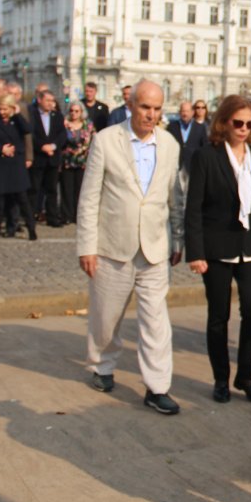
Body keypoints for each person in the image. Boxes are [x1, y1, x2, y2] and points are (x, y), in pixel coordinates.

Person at [77, 79, 184, 415]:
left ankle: (157, 387)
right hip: (113, 246)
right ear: (131, 106)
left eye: (156, 109)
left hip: (155, 248)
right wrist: (86, 247)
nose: (150, 115)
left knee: (156, 321)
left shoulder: (169, 144)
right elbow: (90, 196)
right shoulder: (107, 140)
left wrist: (177, 239)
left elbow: (173, 197)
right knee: (106, 317)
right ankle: (103, 365)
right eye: (144, 108)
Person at [184, 95, 251, 404]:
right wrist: (195, 252)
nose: (243, 129)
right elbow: (193, 208)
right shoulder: (206, 157)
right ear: (223, 122)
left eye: (250, 124)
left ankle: (246, 376)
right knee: (218, 315)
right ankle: (221, 378)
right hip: (217, 248)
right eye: (238, 123)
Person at [0, 94, 37, 241]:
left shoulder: (17, 121)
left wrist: (17, 115)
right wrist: (0, 149)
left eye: (5, 109)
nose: (2, 112)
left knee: (21, 198)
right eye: (0, 109)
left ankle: (31, 229)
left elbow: (28, 130)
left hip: (14, 165)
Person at [30, 90, 66, 226]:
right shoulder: (32, 115)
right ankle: (32, 216)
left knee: (52, 189)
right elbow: (31, 135)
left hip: (53, 157)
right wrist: (42, 146)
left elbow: (62, 134)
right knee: (34, 189)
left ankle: (52, 217)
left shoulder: (57, 115)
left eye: (52, 101)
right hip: (38, 157)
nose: (50, 103)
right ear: (39, 100)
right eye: (48, 100)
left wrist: (53, 146)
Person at [60, 102, 94, 226]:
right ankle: (66, 215)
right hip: (68, 161)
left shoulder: (88, 125)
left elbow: (92, 141)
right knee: (67, 189)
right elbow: (61, 141)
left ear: (81, 112)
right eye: (72, 111)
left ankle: (78, 215)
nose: (74, 113)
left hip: (83, 162)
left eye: (77, 111)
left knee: (80, 190)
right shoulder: (65, 125)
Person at [167, 100, 207, 172]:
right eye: (183, 111)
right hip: (176, 165)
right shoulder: (172, 127)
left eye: (187, 111)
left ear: (192, 112)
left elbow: (204, 147)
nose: (185, 114)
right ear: (179, 112)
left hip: (193, 165)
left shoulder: (200, 128)